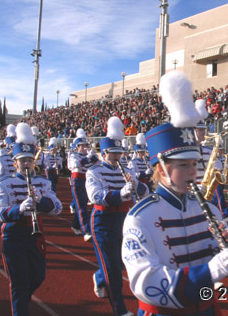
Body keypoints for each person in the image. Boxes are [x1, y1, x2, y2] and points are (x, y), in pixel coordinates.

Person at [122, 71, 228, 316]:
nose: (193, 171)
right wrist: (208, 273)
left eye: (194, 164)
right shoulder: (140, 217)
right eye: (184, 165)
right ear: (163, 168)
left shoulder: (207, 207)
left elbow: (224, 255)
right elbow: (148, 283)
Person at [0, 122, 62, 316]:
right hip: (13, 235)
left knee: (38, 276)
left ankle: (21, 300)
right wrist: (19, 209)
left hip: (35, 235)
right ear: (15, 162)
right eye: (22, 160)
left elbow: (57, 208)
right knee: (18, 281)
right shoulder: (4, 183)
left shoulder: (43, 182)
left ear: (34, 162)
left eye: (29, 160)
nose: (26, 164)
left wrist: (41, 202)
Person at [87, 117, 148, 316]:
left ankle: (99, 276)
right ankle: (120, 310)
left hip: (124, 219)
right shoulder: (94, 171)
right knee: (112, 269)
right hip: (103, 221)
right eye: (113, 154)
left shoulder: (128, 169)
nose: (117, 158)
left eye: (119, 153)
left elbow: (145, 192)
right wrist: (120, 194)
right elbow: (95, 196)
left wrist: (136, 186)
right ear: (104, 153)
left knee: (122, 260)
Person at [68, 128, 100, 241]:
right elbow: (75, 165)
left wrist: (95, 157)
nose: (85, 147)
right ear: (77, 146)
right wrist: (87, 158)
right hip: (77, 181)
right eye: (82, 145)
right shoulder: (73, 155)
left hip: (87, 181)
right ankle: (86, 231)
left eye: (85, 144)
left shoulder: (89, 156)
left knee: (82, 205)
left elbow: (98, 165)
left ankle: (76, 225)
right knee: (82, 206)